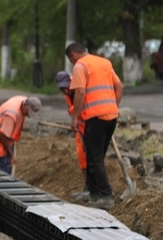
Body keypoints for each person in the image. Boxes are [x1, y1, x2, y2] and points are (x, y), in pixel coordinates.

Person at [65, 42, 124, 210]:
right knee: (95, 157)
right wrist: (113, 105)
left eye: (71, 60)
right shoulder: (104, 62)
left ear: (73, 56)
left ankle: (106, 196)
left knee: (94, 158)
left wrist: (75, 117)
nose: (72, 63)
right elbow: (120, 87)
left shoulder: (80, 66)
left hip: (95, 118)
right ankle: (93, 193)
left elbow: (80, 92)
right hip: (111, 116)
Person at [0, 96, 41, 174]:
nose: (28, 116)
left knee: (8, 169)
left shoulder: (23, 100)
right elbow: (2, 137)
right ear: (25, 105)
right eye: (28, 112)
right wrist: (11, 155)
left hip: (5, 136)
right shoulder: (11, 115)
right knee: (2, 173)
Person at [56, 70, 89, 201]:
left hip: (89, 128)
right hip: (79, 129)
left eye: (66, 86)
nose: (65, 90)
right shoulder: (68, 94)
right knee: (82, 157)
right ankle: (88, 187)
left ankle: (95, 189)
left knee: (92, 157)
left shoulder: (79, 90)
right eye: (62, 88)